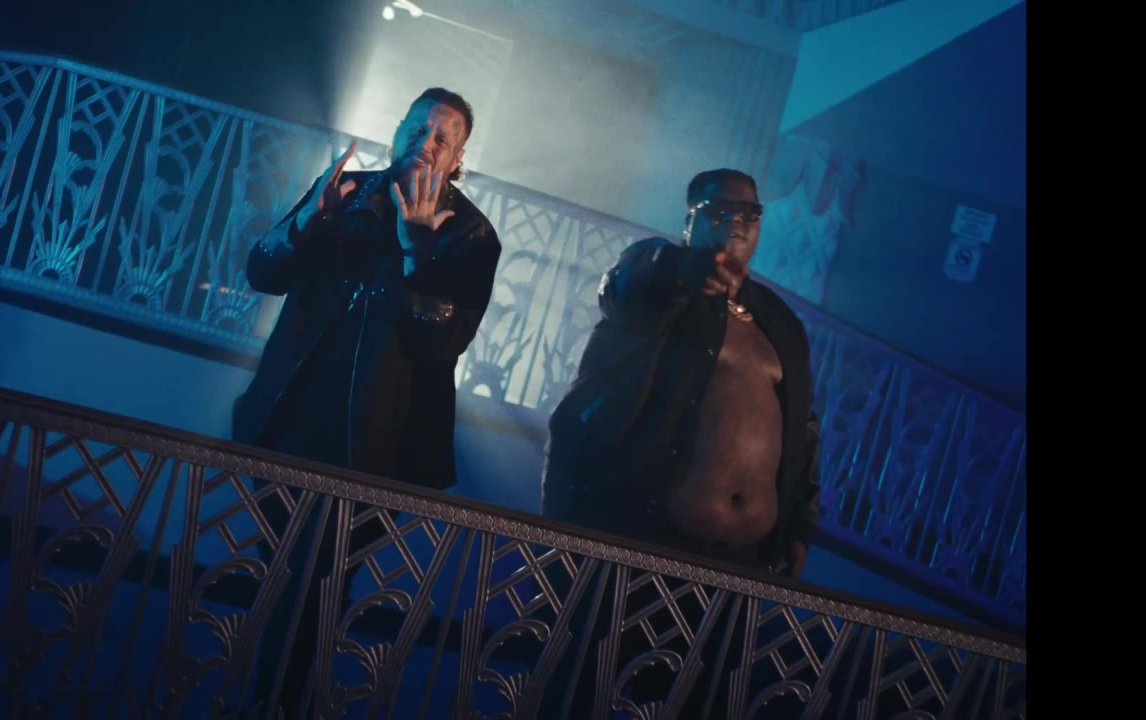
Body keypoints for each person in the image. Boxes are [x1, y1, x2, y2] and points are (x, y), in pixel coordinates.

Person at [234, 87, 500, 718]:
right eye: (418, 128)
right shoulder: (346, 192)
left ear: (457, 158)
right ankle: (263, 696)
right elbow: (262, 273)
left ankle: (284, 700)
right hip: (292, 418)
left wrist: (416, 252)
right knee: (280, 570)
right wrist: (306, 222)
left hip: (378, 444)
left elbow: (442, 345)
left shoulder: (471, 234)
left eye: (442, 138)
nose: (426, 143)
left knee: (325, 583)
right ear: (399, 128)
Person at [539, 168, 822, 717]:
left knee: (699, 704)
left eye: (749, 213)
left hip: (740, 564)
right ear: (691, 219)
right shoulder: (659, 282)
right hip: (645, 544)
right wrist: (682, 269)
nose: (736, 222)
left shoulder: (779, 321)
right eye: (720, 211)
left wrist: (799, 525)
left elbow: (804, 428)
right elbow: (629, 282)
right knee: (591, 689)